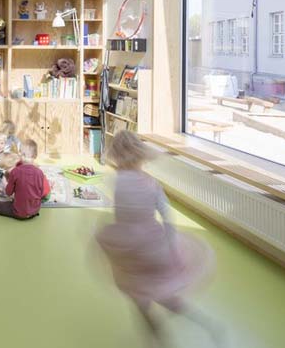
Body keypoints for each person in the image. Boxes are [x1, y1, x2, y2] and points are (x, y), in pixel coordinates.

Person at [95, 131, 222, 346]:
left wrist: (104, 230)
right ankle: (206, 323)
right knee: (166, 298)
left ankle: (159, 341)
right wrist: (170, 246)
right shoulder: (151, 183)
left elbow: (120, 213)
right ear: (140, 156)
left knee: (140, 300)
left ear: (116, 156)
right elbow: (166, 215)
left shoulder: (116, 182)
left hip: (131, 253)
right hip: (154, 249)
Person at [0, 139, 49, 220]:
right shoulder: (40, 172)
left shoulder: (15, 171)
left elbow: (8, 193)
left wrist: (5, 183)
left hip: (19, 212)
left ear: (20, 154)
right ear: (35, 155)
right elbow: (41, 193)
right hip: (35, 210)